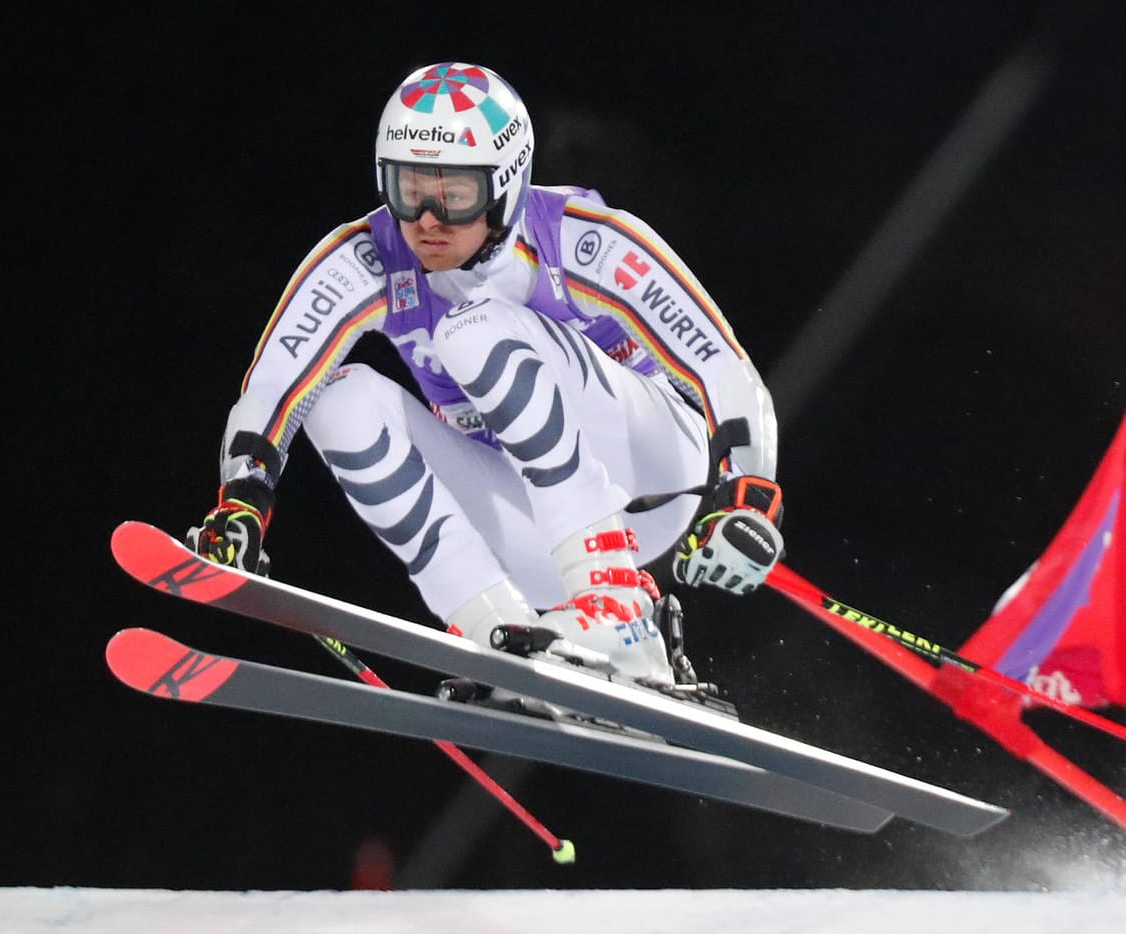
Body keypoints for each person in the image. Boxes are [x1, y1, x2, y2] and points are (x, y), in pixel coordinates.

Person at [189, 61, 784, 688]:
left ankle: (623, 616)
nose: (425, 220)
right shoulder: (366, 257)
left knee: (470, 330)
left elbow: (721, 363)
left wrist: (748, 493)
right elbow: (273, 387)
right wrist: (243, 502)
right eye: (408, 189)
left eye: (455, 196)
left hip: (658, 476)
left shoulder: (580, 239)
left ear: (506, 186)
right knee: (338, 400)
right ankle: (499, 632)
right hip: (540, 533)